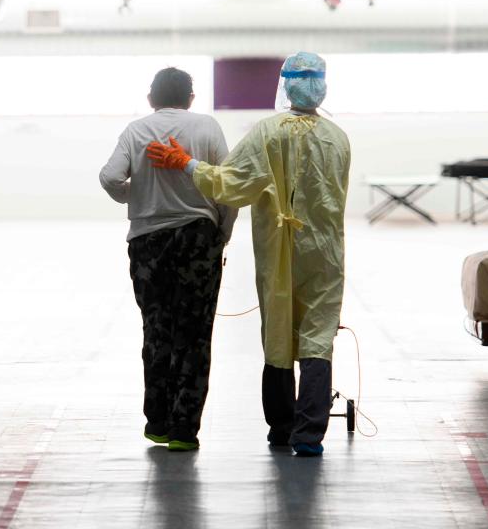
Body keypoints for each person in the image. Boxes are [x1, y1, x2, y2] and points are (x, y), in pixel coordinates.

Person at [147, 52, 350, 457]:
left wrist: (186, 164)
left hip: (279, 250)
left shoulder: (268, 133)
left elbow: (231, 184)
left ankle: (281, 427)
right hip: (325, 251)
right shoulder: (338, 137)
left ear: (285, 85)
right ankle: (309, 434)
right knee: (318, 335)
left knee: (277, 332)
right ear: (322, 86)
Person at [99, 67, 237, 452]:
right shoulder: (207, 128)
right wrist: (221, 234)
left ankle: (157, 423)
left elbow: (110, 177)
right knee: (194, 334)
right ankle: (183, 430)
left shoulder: (136, 131)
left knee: (156, 330)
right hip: (198, 238)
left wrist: (136, 196)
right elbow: (227, 187)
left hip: (146, 242)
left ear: (150, 99)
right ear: (191, 98)